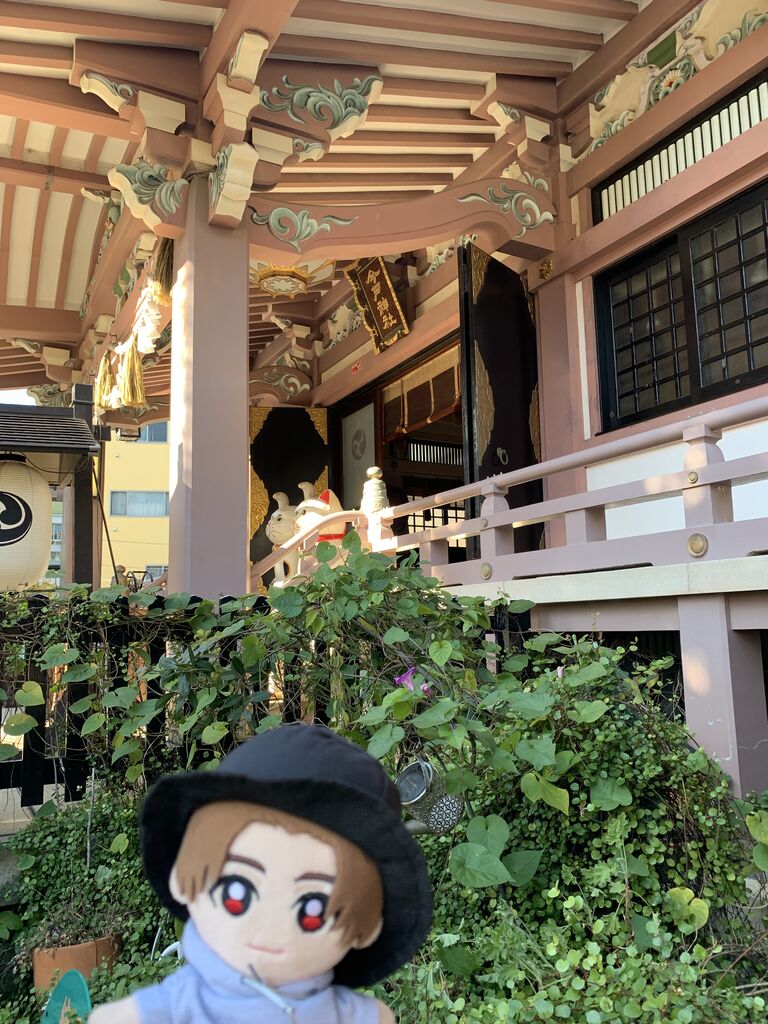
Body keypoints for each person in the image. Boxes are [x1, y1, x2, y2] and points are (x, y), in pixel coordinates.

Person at [88, 723, 432, 1023]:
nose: (271, 926)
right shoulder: (169, 1010)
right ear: (184, 880)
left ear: (366, 927)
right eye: (236, 893)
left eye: (312, 910)